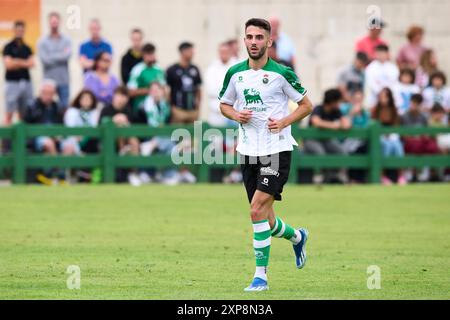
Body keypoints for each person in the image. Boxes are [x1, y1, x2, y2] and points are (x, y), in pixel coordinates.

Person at [219, 18, 313, 292]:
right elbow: (224, 104)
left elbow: (306, 105)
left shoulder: (282, 73)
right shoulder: (235, 73)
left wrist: (284, 122)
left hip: (276, 150)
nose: (253, 42)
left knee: (256, 209)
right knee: (265, 218)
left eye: (259, 37)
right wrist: (236, 114)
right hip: (248, 151)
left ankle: (261, 276)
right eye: (249, 37)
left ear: (269, 42)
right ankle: (297, 237)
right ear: (244, 40)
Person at [304, 89, 351, 184]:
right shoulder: (318, 108)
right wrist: (335, 125)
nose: (339, 104)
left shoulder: (336, 111)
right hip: (312, 140)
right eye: (338, 101)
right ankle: (319, 177)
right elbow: (316, 122)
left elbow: (347, 124)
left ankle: (340, 176)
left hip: (326, 140)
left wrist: (338, 125)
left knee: (341, 152)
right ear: (332, 101)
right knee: (320, 153)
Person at [23, 80, 65, 184]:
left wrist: (58, 135)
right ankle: (57, 174)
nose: (48, 96)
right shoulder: (32, 106)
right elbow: (26, 126)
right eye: (45, 93)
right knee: (48, 143)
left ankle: (61, 175)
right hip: (36, 138)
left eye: (51, 93)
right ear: (40, 92)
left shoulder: (57, 107)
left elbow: (62, 126)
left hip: (54, 137)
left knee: (68, 145)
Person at [98, 86, 142, 186]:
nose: (121, 99)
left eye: (124, 96)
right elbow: (100, 128)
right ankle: (123, 150)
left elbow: (132, 128)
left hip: (128, 141)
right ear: (114, 96)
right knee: (120, 121)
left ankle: (133, 173)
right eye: (119, 95)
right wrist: (114, 120)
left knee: (133, 140)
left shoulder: (129, 110)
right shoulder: (106, 110)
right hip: (109, 143)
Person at [371, 88, 407, 185]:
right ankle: (382, 175)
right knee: (386, 146)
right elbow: (374, 124)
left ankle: (401, 175)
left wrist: (390, 133)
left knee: (398, 146)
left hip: (392, 135)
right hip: (379, 136)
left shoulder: (394, 110)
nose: (383, 99)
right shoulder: (375, 109)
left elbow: (396, 125)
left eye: (385, 96)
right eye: (381, 96)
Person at [38, 12, 72, 111]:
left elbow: (67, 56)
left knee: (64, 107)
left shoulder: (67, 40)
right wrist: (60, 55)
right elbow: (45, 60)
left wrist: (51, 55)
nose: (54, 24)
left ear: (59, 23)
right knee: (46, 108)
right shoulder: (42, 41)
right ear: (49, 23)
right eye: (52, 22)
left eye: (56, 22)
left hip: (63, 80)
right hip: (48, 81)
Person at [2, 20, 34, 125]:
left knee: (23, 113)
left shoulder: (27, 48)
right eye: (18, 30)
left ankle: (22, 139)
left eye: (22, 30)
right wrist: (23, 62)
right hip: (12, 83)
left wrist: (16, 61)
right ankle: (6, 141)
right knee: (9, 112)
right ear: (14, 30)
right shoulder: (8, 47)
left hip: (26, 82)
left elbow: (31, 63)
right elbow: (8, 65)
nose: (20, 32)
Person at [166, 42, 202, 124]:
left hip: (193, 110)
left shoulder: (195, 69)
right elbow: (167, 90)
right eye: (190, 51)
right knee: (178, 135)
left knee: (194, 135)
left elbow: (198, 89)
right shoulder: (172, 69)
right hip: (178, 110)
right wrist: (171, 108)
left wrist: (198, 106)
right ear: (183, 52)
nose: (193, 53)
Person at [127, 43, 166, 112]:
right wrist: (150, 91)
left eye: (152, 54)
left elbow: (163, 88)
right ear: (143, 55)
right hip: (141, 105)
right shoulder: (137, 70)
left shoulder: (159, 69)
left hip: (158, 104)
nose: (151, 56)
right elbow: (130, 92)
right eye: (148, 54)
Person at [205, 42, 236, 127]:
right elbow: (210, 90)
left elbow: (238, 89)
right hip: (215, 111)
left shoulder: (236, 67)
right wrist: (229, 91)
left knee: (232, 138)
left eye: (226, 51)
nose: (224, 54)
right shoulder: (212, 68)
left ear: (230, 52)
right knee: (215, 138)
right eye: (222, 51)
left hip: (233, 111)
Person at [364, 44, 399, 109]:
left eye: (383, 53)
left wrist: (387, 94)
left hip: (389, 97)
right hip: (374, 98)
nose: (380, 55)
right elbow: (371, 83)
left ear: (387, 54)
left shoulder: (393, 68)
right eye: (378, 53)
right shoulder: (370, 68)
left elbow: (394, 83)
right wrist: (381, 93)